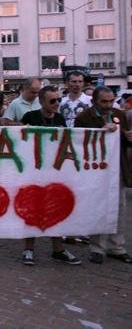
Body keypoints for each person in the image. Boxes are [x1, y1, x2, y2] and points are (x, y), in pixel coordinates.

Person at [19, 86, 81, 266]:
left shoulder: (60, 119)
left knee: (55, 210)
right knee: (33, 210)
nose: (56, 104)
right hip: (33, 173)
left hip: (55, 173)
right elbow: (17, 134)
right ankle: (29, 249)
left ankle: (58, 249)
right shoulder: (30, 117)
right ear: (41, 102)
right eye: (52, 101)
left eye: (58, 100)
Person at [75, 86, 132, 265]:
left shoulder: (120, 115)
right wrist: (102, 130)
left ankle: (117, 246)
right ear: (94, 101)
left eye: (111, 101)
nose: (108, 105)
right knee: (98, 207)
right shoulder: (83, 118)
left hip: (118, 167)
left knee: (120, 208)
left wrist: (126, 136)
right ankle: (97, 247)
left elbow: (124, 141)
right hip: (96, 170)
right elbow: (80, 143)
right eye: (104, 102)